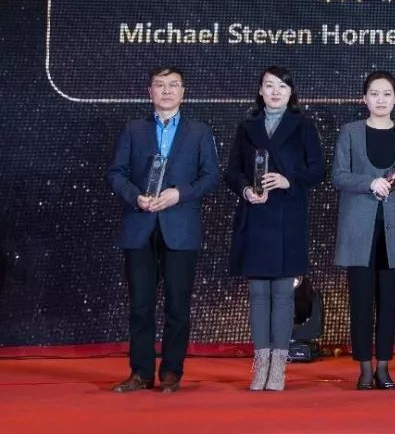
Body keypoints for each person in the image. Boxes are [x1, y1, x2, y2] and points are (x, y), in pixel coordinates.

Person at [105, 66, 219, 393]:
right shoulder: (133, 129)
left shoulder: (199, 132)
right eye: (160, 85)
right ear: (150, 92)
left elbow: (210, 176)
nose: (166, 91)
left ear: (183, 92)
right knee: (140, 305)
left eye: (173, 85)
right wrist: (135, 197)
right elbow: (115, 173)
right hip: (139, 225)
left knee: (177, 305)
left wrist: (179, 193)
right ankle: (140, 373)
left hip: (180, 226)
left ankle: (171, 372)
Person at [225, 66, 324, 391]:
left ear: (291, 92)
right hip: (255, 217)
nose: (275, 91)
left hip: (288, 216)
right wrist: (245, 190)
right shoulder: (247, 127)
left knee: (283, 294)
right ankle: (261, 364)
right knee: (258, 294)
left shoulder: (303, 126)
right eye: (269, 85)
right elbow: (232, 172)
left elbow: (318, 169)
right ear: (260, 91)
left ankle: (279, 366)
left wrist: (288, 180)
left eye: (282, 86)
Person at [333, 70, 395, 390]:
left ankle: (383, 367)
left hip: (393, 229)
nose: (381, 100)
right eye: (374, 93)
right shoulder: (350, 132)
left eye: (386, 94)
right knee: (360, 302)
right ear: (364, 98)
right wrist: (369, 182)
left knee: (388, 302)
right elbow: (339, 175)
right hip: (358, 229)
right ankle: (364, 369)